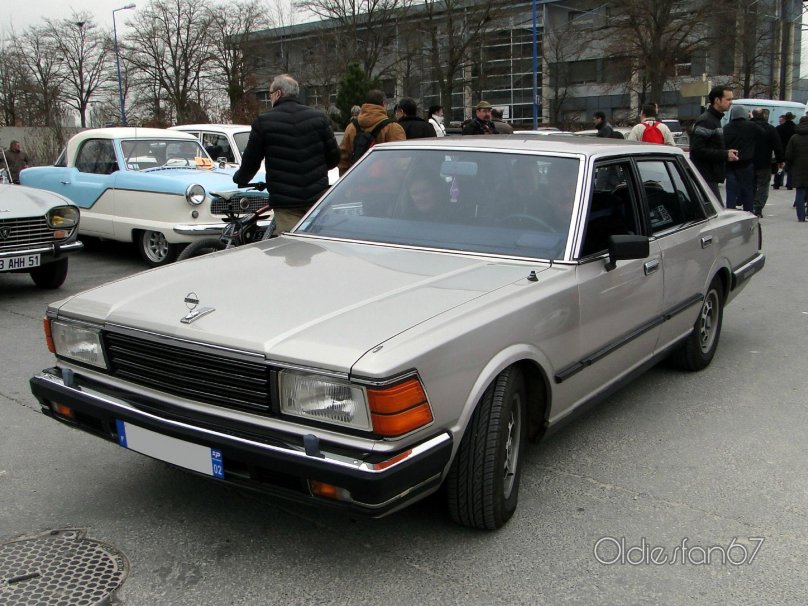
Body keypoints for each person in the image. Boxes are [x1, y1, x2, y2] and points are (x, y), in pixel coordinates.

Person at [233, 73, 340, 235]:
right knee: (318, 246)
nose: (270, 98)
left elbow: (251, 161)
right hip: (316, 198)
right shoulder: (319, 118)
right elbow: (334, 159)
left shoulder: (264, 122)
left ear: (278, 93)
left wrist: (240, 178)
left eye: (270, 94)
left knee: (292, 250)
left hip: (286, 202)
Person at [338, 89, 406, 176]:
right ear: (383, 104)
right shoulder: (393, 127)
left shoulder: (351, 127)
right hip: (386, 183)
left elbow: (343, 158)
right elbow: (401, 160)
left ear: (366, 104)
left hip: (357, 182)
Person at [690, 85, 739, 203]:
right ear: (717, 100)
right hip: (705, 176)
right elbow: (697, 150)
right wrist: (725, 155)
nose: (731, 102)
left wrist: (726, 153)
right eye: (728, 99)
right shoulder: (706, 120)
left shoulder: (714, 119)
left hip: (710, 176)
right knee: (716, 213)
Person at [723, 105, 758, 212]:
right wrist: (752, 118)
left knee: (731, 191)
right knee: (747, 190)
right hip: (746, 164)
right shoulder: (751, 126)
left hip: (730, 164)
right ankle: (748, 211)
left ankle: (730, 211)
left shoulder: (726, 128)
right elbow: (763, 133)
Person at [750, 108, 784, 217]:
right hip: (764, 162)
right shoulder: (770, 129)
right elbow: (777, 145)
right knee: (763, 186)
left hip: (748, 162)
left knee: (750, 184)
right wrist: (780, 160)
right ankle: (758, 207)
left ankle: (749, 205)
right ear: (764, 115)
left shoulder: (748, 127)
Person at [784, 115, 808, 222]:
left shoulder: (794, 137)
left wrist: (788, 166)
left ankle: (801, 216)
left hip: (798, 168)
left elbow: (789, 154)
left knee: (800, 192)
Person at [774, 112, 796, 189]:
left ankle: (777, 183)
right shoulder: (795, 128)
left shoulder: (779, 128)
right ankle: (789, 184)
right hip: (792, 151)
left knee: (780, 167)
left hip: (781, 150)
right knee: (790, 168)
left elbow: (776, 140)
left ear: (785, 118)